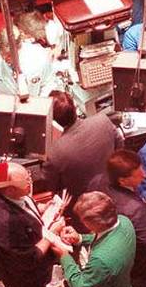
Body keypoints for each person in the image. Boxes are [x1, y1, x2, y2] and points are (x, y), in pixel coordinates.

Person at [53, 191, 136, 287]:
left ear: (93, 223)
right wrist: (80, 238)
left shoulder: (101, 260)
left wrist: (64, 256)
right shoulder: (124, 222)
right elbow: (106, 238)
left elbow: (81, 286)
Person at [90, 151, 146, 287]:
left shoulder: (97, 182)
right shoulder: (134, 209)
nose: (144, 174)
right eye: (138, 173)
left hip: (111, 253)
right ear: (123, 180)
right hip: (137, 264)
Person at [41, 91, 122, 230]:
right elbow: (120, 147)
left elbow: (50, 187)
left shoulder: (54, 152)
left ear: (52, 119)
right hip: (116, 195)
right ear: (75, 107)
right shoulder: (103, 121)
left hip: (84, 214)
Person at [0, 27, 56, 137]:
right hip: (1, 121)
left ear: (20, 47)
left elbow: (48, 85)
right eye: (3, 54)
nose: (7, 59)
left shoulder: (40, 57)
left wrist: (40, 109)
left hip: (34, 118)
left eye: (11, 55)